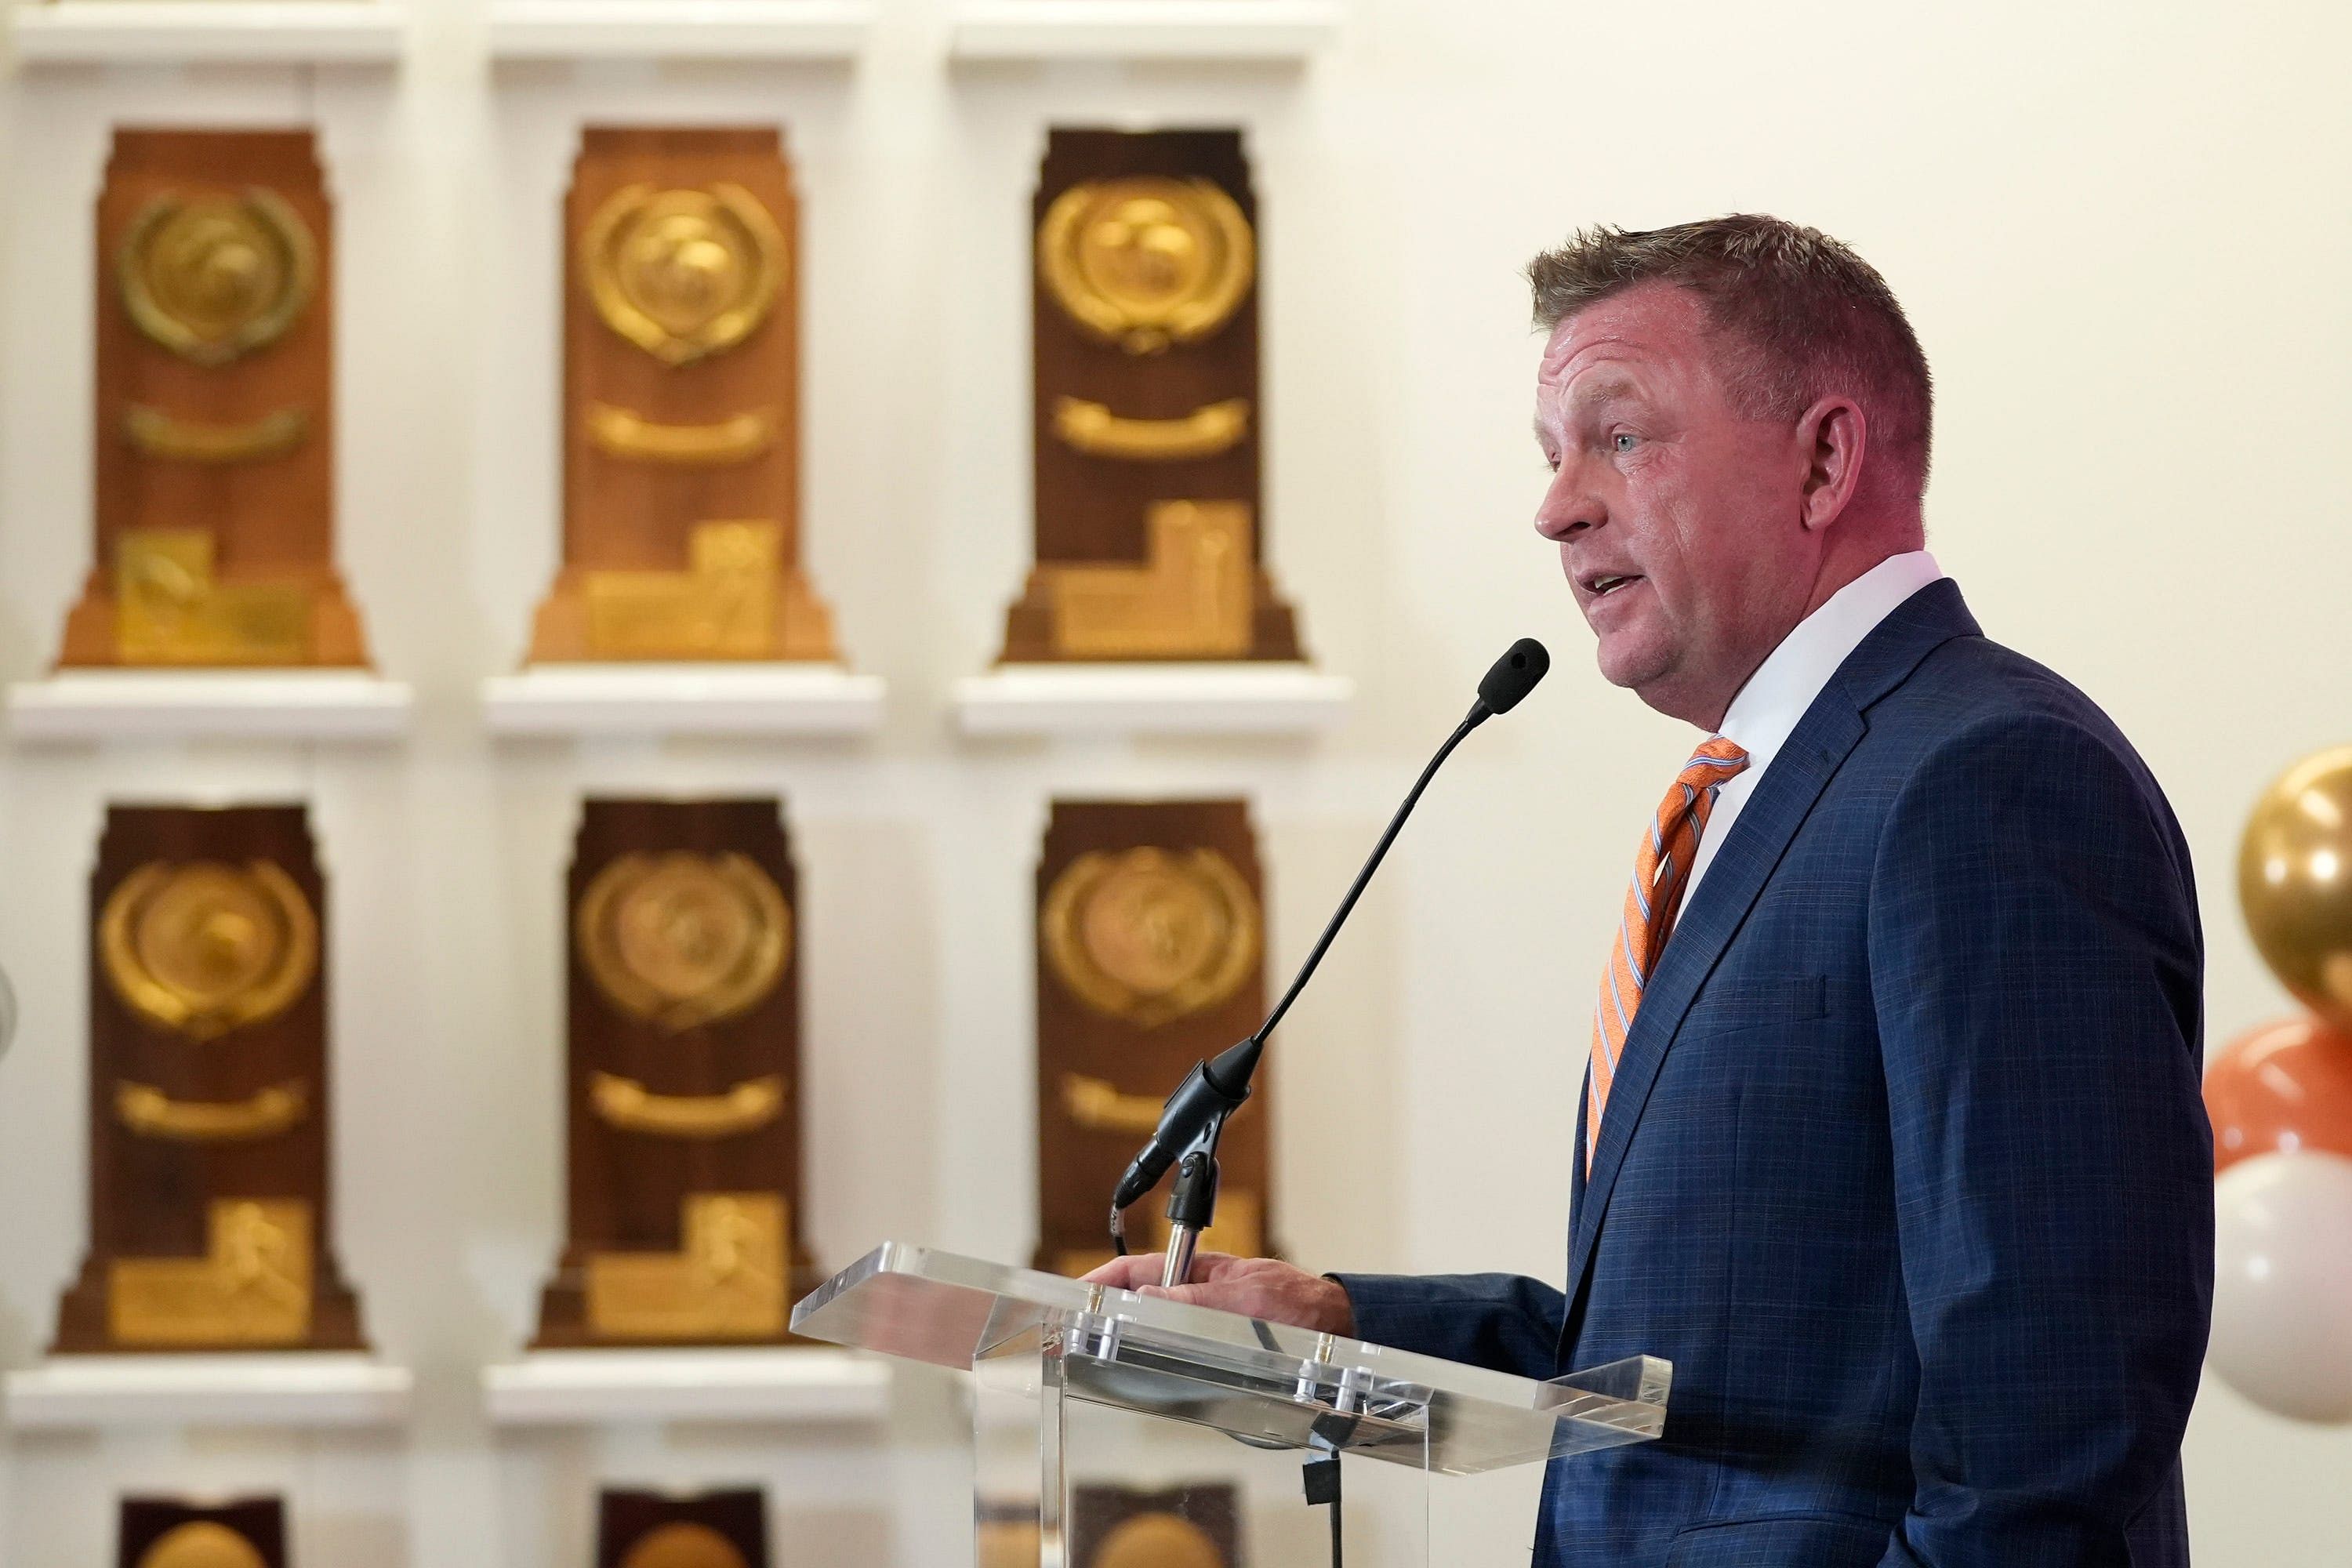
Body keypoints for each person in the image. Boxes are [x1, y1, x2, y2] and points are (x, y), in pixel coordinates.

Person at [1088, 216, 2213, 1567]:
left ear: (1823, 459)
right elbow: (1704, 1366)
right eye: (1552, 455)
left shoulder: (1987, 779)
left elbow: (2054, 1418)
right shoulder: (1764, 794)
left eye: (1619, 438)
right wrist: (1335, 1320)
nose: (1558, 505)